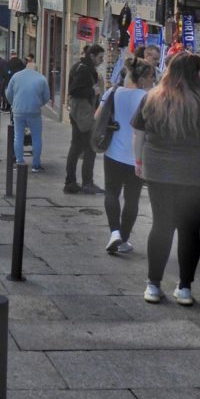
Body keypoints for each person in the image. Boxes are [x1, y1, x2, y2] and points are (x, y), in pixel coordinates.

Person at [132, 51, 200, 305]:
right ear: (196, 74)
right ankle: (185, 288)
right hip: (196, 176)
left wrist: (139, 162)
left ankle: (153, 286)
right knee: (190, 231)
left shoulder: (151, 98)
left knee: (161, 226)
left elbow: (138, 132)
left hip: (158, 172)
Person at [98, 57, 155, 255]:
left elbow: (98, 116)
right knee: (132, 199)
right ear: (145, 77)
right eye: (152, 76)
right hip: (137, 156)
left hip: (113, 152)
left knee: (111, 192)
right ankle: (124, 238)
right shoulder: (149, 97)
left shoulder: (113, 92)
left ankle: (114, 233)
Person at [65, 43, 105, 194]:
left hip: (77, 112)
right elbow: (74, 90)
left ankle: (70, 182)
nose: (102, 60)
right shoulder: (84, 70)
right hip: (83, 113)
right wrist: (91, 91)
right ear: (92, 56)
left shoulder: (79, 67)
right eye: (100, 57)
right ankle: (87, 182)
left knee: (76, 147)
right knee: (89, 147)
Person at [4, 58, 50, 171]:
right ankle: (36, 164)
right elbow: (47, 97)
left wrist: (13, 103)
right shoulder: (41, 78)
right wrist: (38, 104)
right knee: (36, 138)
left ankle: (19, 161)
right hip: (34, 111)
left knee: (18, 136)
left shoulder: (16, 77)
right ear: (36, 68)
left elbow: (9, 93)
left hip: (18, 111)